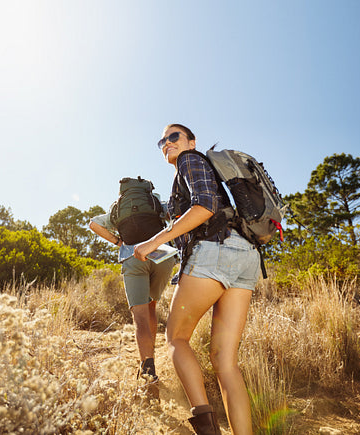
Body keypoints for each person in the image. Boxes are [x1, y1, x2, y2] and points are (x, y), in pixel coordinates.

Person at [134, 124, 260, 435]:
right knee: (225, 361)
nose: (167, 143)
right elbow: (193, 209)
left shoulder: (190, 160)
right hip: (246, 257)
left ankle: (207, 430)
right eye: (162, 140)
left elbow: (205, 206)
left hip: (215, 252)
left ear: (191, 141)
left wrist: (152, 243)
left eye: (173, 136)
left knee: (176, 338)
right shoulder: (196, 174)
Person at [89, 183, 176, 383]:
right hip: (162, 256)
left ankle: (148, 370)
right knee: (151, 306)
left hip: (132, 256)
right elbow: (174, 214)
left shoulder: (117, 209)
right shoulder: (154, 203)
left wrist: (118, 243)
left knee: (140, 317)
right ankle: (151, 352)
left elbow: (93, 224)